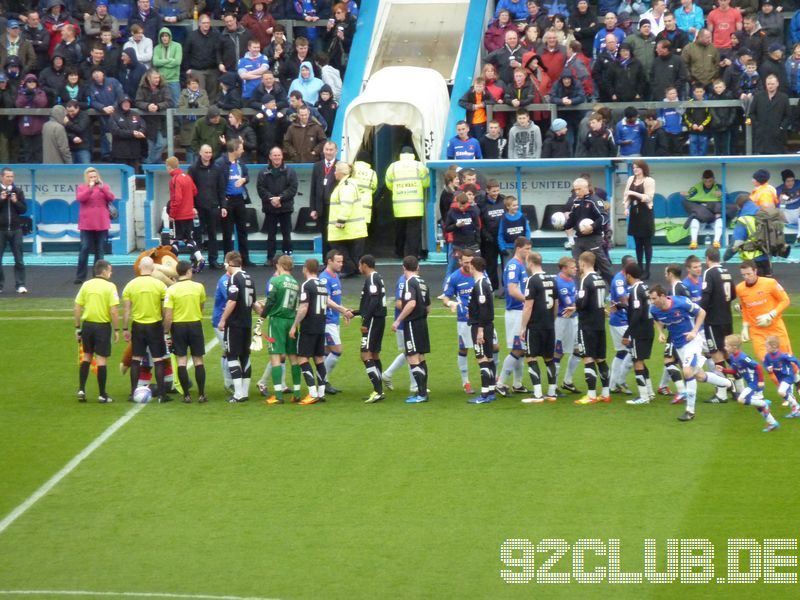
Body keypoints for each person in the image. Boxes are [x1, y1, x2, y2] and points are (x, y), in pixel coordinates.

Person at [649, 284, 733, 422]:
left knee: (687, 372)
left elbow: (702, 313)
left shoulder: (681, 302)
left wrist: (694, 331)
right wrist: (660, 333)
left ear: (663, 296)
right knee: (699, 375)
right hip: (679, 345)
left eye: (654, 298)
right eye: (650, 299)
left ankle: (690, 411)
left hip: (692, 342)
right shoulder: (654, 309)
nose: (652, 302)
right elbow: (657, 320)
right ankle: (728, 383)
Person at [257, 255, 303, 405]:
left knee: (275, 356)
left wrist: (262, 317)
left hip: (277, 321)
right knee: (293, 357)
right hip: (291, 321)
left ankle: (278, 395)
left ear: (280, 265)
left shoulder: (276, 281)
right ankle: (297, 392)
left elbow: (271, 300)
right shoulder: (296, 283)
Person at [122, 256, 168, 403]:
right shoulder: (160, 285)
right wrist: (165, 325)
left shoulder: (130, 285)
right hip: (154, 325)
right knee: (158, 360)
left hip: (138, 325)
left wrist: (125, 328)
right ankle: (162, 394)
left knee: (136, 359)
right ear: (153, 268)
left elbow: (127, 310)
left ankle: (132, 392)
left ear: (140, 267)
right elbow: (164, 309)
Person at [74, 259, 119, 403]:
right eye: (110, 270)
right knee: (101, 360)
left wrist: (77, 327)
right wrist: (117, 329)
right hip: (102, 327)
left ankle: (81, 389)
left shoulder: (86, 285)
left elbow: (77, 307)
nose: (111, 273)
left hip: (87, 326)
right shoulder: (110, 286)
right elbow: (113, 311)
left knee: (86, 357)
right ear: (104, 271)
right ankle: (102, 394)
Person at [163, 260, 207, 404]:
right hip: (195, 324)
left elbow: (168, 315)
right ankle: (201, 395)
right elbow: (201, 306)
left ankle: (186, 395)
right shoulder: (199, 287)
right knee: (198, 360)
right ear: (188, 271)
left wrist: (166, 332)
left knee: (181, 360)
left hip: (178, 327)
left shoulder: (171, 290)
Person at [217, 251, 256, 403]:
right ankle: (244, 392)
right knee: (245, 356)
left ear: (228, 263)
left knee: (232, 355)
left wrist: (223, 320)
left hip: (235, 324)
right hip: (247, 322)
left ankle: (238, 393)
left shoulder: (234, 278)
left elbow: (232, 301)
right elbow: (253, 302)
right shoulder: (248, 277)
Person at [518, 251, 557, 404]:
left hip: (535, 325)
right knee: (549, 358)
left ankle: (538, 394)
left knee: (531, 357)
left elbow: (528, 306)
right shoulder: (552, 279)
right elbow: (556, 304)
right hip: (549, 325)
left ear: (531, 263)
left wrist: (522, 327)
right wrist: (551, 320)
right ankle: (552, 393)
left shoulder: (532, 280)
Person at [392, 255, 432, 404]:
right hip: (422, 323)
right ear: (418, 267)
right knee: (421, 357)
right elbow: (428, 307)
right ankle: (423, 391)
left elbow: (411, 303)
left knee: (412, 356)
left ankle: (421, 394)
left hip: (412, 323)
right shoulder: (422, 282)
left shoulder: (409, 283)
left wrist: (398, 320)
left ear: (404, 268)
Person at [290, 258, 329, 405]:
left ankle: (312, 393)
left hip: (309, 326)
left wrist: (295, 325)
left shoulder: (307, 285)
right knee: (319, 358)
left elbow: (304, 307)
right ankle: (321, 392)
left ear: (306, 268)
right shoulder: (322, 285)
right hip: (321, 326)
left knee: (302, 358)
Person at [496, 237, 531, 396]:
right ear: (518, 248)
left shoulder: (521, 265)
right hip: (515, 312)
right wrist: (529, 300)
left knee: (522, 350)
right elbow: (511, 290)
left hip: (521, 310)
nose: (529, 252)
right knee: (517, 349)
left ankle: (517, 383)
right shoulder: (513, 266)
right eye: (527, 249)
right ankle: (501, 382)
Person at [574, 251, 610, 405]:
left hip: (587, 324)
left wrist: (575, 303)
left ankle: (591, 395)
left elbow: (582, 303)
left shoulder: (585, 280)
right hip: (600, 324)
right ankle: (606, 393)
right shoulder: (600, 279)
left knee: (588, 358)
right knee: (601, 359)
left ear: (582, 263)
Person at [724, 334, 781, 432]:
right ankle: (773, 423)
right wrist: (724, 370)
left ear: (734, 347)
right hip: (751, 383)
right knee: (758, 406)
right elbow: (734, 371)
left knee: (741, 399)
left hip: (754, 384)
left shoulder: (743, 357)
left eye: (727, 346)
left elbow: (757, 366)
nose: (725, 348)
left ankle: (764, 403)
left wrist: (761, 381)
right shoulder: (733, 357)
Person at [736, 260, 791, 361]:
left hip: (775, 327)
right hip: (757, 331)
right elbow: (745, 308)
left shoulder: (770, 283)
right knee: (767, 361)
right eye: (743, 275)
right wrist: (745, 326)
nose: (746, 277)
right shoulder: (740, 288)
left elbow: (785, 300)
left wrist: (771, 315)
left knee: (787, 360)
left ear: (755, 271)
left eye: (749, 274)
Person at [440, 249, 478, 394]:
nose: (469, 265)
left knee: (494, 347)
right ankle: (466, 382)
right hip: (464, 320)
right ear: (460, 261)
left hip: (481, 319)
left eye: (471, 261)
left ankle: (493, 378)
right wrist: (451, 304)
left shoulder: (480, 273)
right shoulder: (455, 277)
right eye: (466, 262)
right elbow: (445, 297)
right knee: (464, 349)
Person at [562, 177, 613, 283]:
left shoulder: (594, 200)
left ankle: (616, 291)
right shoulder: (576, 202)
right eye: (575, 189)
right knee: (577, 266)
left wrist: (592, 226)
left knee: (604, 267)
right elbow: (572, 219)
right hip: (579, 239)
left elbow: (604, 217)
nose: (576, 192)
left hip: (593, 239)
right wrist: (563, 225)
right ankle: (580, 292)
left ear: (586, 188)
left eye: (579, 189)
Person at [319, 249, 354, 393]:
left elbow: (335, 298)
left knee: (327, 351)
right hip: (327, 320)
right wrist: (342, 310)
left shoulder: (336, 276)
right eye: (338, 261)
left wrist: (343, 310)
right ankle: (322, 380)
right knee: (337, 351)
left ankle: (323, 383)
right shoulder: (324, 278)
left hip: (334, 319)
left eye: (342, 261)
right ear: (329, 261)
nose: (341, 264)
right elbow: (325, 299)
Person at [385, 146, 429, 259]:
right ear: (412, 154)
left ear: (401, 154)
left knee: (400, 230)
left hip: (399, 205)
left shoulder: (393, 166)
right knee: (413, 233)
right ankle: (412, 255)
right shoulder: (419, 166)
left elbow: (389, 184)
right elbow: (426, 183)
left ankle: (399, 253)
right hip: (415, 206)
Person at [216, 139, 254, 267]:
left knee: (243, 230)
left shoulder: (240, 163)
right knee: (227, 232)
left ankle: (245, 259)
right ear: (235, 150)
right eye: (241, 148)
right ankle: (228, 261)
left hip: (239, 199)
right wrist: (222, 202)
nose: (243, 151)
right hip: (227, 200)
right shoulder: (220, 163)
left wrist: (244, 179)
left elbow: (247, 176)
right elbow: (218, 184)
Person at [257, 146, 297, 264]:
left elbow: (293, 188)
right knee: (271, 235)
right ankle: (270, 257)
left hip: (285, 207)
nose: (277, 157)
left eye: (278, 155)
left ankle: (287, 256)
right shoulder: (263, 172)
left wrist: (280, 198)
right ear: (270, 157)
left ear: (282, 156)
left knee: (286, 234)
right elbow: (260, 188)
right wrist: (272, 199)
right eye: (274, 155)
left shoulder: (290, 171)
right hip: (270, 208)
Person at [464, 256, 496, 404]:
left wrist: (480, 330)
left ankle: (484, 394)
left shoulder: (481, 284)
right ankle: (490, 390)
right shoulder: (484, 282)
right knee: (488, 357)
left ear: (473, 267)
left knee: (481, 357)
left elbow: (484, 308)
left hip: (480, 326)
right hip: (486, 324)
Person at [74, 167, 114, 285]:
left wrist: (102, 188)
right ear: (87, 178)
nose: (93, 179)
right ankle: (80, 276)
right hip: (86, 223)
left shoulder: (104, 187)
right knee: (84, 248)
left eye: (95, 176)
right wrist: (90, 188)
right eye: (91, 177)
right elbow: (81, 198)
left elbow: (111, 198)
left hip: (101, 222)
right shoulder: (82, 187)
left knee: (100, 250)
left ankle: (98, 275)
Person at [622, 263, 654, 405]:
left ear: (628, 275)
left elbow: (637, 312)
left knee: (637, 362)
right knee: (640, 360)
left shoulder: (634, 290)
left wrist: (627, 333)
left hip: (639, 331)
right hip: (649, 329)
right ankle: (649, 392)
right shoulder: (645, 287)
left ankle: (643, 396)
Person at [327, 162, 366, 277]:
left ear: (341, 172)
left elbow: (346, 204)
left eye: (336, 171)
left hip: (346, 227)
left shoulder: (346, 186)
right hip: (352, 227)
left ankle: (349, 269)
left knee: (338, 246)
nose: (334, 173)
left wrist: (341, 220)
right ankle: (352, 269)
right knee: (349, 250)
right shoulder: (347, 184)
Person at [188, 144, 223, 269]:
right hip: (198, 209)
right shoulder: (193, 169)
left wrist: (222, 206)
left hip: (213, 207)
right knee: (196, 234)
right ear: (200, 153)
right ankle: (195, 260)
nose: (208, 155)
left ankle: (213, 260)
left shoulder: (217, 169)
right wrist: (192, 206)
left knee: (213, 234)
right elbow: (189, 190)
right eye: (206, 152)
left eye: (210, 152)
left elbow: (221, 189)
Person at [165, 156, 203, 271]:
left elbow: (177, 198)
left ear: (169, 167)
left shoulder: (175, 180)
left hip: (178, 216)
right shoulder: (187, 177)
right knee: (188, 239)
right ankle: (200, 258)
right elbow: (194, 191)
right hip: (188, 215)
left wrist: (172, 214)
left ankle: (172, 265)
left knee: (174, 239)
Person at [358, 255, 388, 404]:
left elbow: (374, 300)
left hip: (374, 320)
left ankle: (377, 390)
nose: (359, 268)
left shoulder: (371, 278)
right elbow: (370, 301)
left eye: (360, 265)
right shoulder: (378, 277)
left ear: (364, 265)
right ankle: (379, 390)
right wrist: (356, 312)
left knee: (365, 354)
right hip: (378, 319)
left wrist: (366, 320)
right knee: (374, 354)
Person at [680, 170, 731, 250]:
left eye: (710, 181)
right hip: (702, 217)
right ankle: (693, 242)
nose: (708, 183)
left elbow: (727, 201)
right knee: (694, 220)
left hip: (714, 215)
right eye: (705, 181)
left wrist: (722, 195)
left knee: (720, 221)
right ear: (702, 179)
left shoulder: (720, 188)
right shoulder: (697, 187)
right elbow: (690, 197)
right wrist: (686, 194)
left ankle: (716, 242)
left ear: (713, 179)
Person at [608, 255, 636, 396]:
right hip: (620, 321)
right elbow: (623, 299)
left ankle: (612, 385)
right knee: (633, 350)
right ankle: (620, 380)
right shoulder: (619, 280)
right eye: (632, 264)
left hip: (621, 319)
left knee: (622, 352)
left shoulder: (629, 278)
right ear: (625, 266)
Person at [623, 160, 655, 280]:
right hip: (634, 212)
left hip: (646, 212)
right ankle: (640, 268)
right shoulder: (631, 179)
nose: (635, 170)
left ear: (643, 168)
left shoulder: (649, 180)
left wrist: (633, 193)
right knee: (637, 243)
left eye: (638, 167)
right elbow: (626, 196)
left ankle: (647, 269)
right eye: (634, 167)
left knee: (646, 243)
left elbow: (648, 197)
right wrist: (625, 207)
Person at [725, 193, 772, 276]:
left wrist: (726, 257)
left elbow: (737, 242)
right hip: (767, 260)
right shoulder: (763, 214)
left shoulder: (743, 219)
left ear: (739, 206)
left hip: (752, 262)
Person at [135, 68, 173, 165]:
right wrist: (147, 106)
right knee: (150, 146)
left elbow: (169, 101)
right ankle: (152, 166)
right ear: (148, 78)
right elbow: (138, 102)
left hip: (162, 121)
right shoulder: (142, 88)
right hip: (148, 122)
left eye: (158, 78)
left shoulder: (164, 87)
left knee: (162, 143)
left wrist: (158, 106)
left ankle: (148, 164)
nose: (157, 80)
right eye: (155, 78)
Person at [0, 168, 27, 295]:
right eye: (8, 176)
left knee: (19, 259)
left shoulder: (18, 191)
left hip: (16, 229)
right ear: (2, 177)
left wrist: (15, 201)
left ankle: (20, 284)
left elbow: (23, 210)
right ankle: (0, 285)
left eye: (12, 176)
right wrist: (1, 199)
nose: (10, 179)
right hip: (1, 230)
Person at [310, 140, 338, 257]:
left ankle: (335, 262)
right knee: (324, 236)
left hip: (334, 208)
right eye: (326, 149)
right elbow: (313, 188)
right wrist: (313, 208)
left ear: (336, 151)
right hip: (321, 208)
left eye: (331, 150)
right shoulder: (317, 166)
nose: (328, 152)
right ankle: (325, 261)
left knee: (334, 237)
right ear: (323, 150)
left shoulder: (340, 166)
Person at [750, 74, 791, 154]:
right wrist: (757, 126)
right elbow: (751, 113)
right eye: (768, 84)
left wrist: (781, 127)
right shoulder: (758, 96)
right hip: (761, 137)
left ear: (777, 84)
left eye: (772, 84)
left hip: (777, 136)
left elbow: (788, 116)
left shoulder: (784, 98)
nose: (770, 86)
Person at [763, 335, 800, 416]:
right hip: (780, 378)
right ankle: (796, 410)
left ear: (774, 346)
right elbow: (765, 363)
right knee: (788, 394)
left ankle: (797, 406)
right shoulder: (767, 356)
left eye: (767, 346)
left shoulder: (783, 356)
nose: (766, 348)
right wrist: (768, 368)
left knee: (781, 391)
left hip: (788, 377)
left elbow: (795, 360)